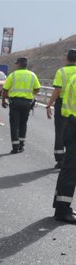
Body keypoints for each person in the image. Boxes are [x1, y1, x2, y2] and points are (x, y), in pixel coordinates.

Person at [1, 57, 40, 154]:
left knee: (14, 125)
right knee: (23, 124)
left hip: (15, 102)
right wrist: (30, 93)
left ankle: (15, 147)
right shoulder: (32, 75)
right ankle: (21, 145)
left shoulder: (13, 75)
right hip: (27, 103)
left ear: (18, 64)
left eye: (16, 64)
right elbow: (37, 89)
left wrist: (3, 101)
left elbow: (5, 89)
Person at [46, 49, 76, 169]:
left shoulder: (62, 71)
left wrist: (49, 104)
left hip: (63, 105)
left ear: (67, 58)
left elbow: (57, 90)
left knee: (61, 132)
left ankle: (60, 160)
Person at [53, 73, 76, 224]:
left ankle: (61, 205)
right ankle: (62, 210)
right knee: (71, 169)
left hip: (71, 122)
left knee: (69, 168)